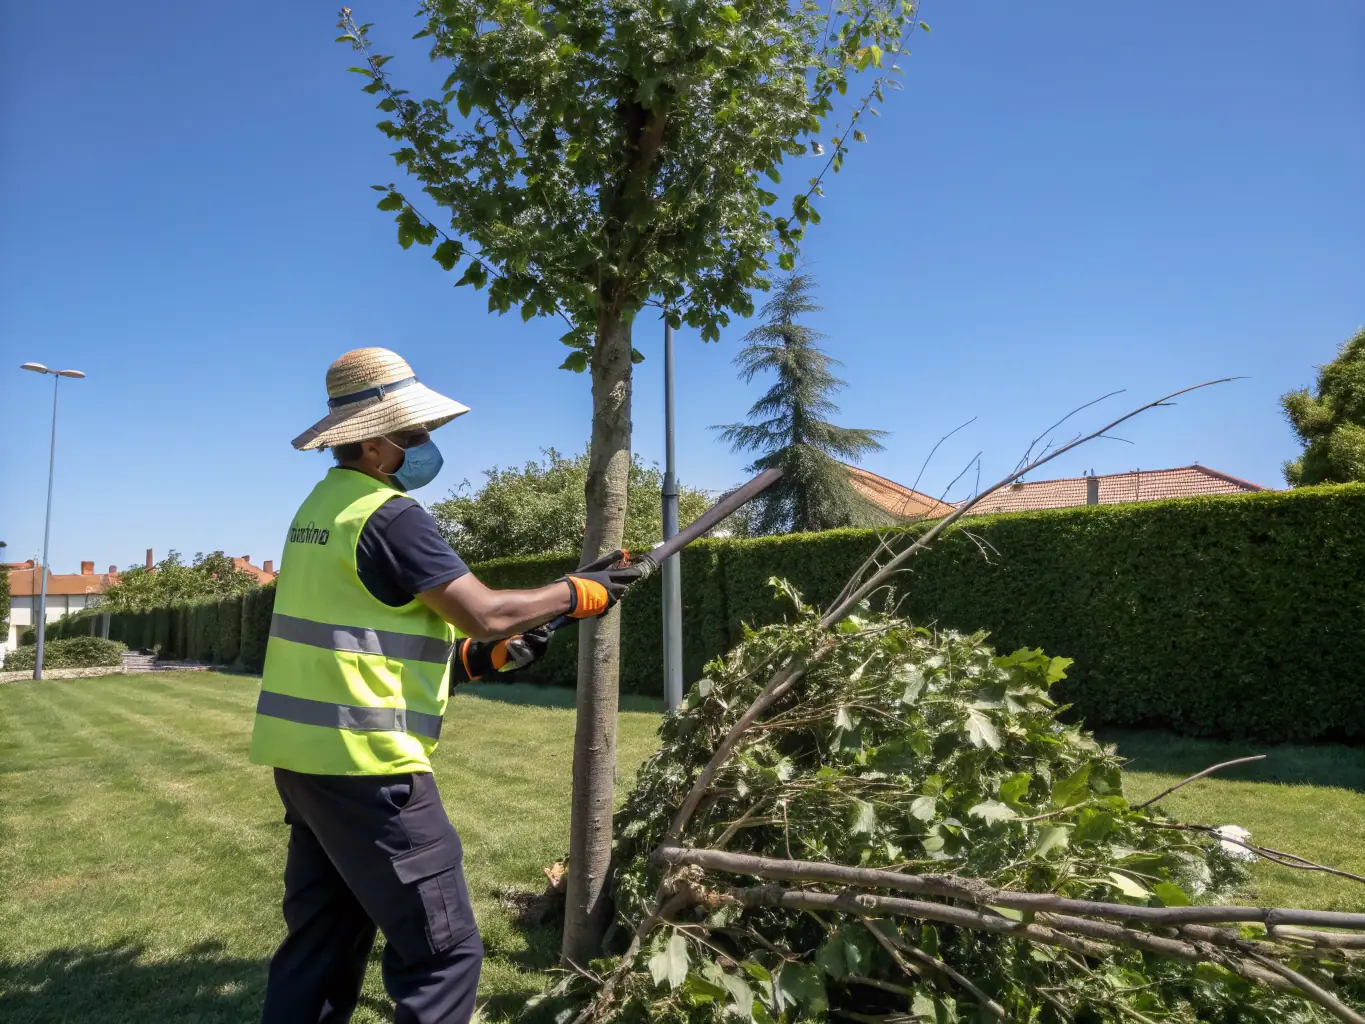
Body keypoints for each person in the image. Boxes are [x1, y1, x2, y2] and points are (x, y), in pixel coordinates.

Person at [251, 347, 639, 1024]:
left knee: (321, 946)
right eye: (414, 434)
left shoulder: (319, 511)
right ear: (371, 442)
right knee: (445, 955)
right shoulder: (391, 516)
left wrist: (483, 662)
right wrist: (577, 592)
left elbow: (366, 645)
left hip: (307, 766)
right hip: (373, 774)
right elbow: (483, 612)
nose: (428, 446)